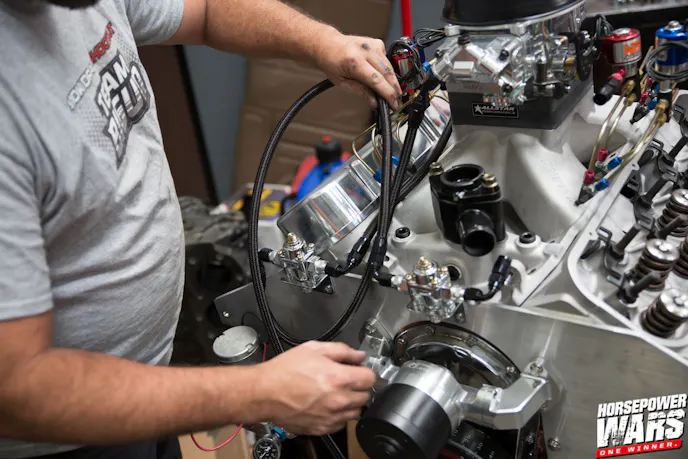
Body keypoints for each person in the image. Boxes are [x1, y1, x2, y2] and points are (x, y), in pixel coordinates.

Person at [0, 0, 403, 458]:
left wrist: (325, 43)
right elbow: (17, 390)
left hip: (146, 386)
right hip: (67, 434)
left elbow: (206, 10)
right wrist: (258, 392)